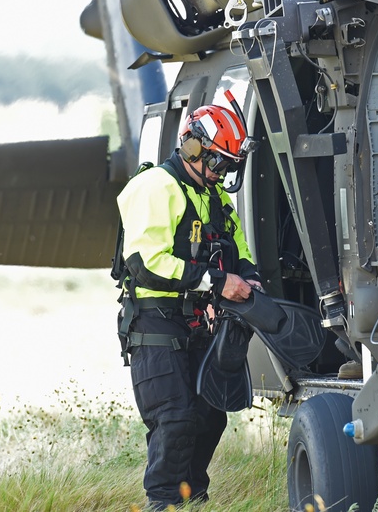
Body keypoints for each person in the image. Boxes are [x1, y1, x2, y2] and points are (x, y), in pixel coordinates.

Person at [115, 103, 262, 510]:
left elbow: (237, 246)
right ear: (192, 147)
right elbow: (145, 264)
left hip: (198, 327)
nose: (221, 172)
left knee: (210, 416)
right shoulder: (156, 187)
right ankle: (163, 503)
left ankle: (193, 500)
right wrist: (217, 281)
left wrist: (248, 275)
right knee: (175, 420)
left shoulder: (211, 194)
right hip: (155, 326)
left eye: (228, 165)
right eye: (217, 161)